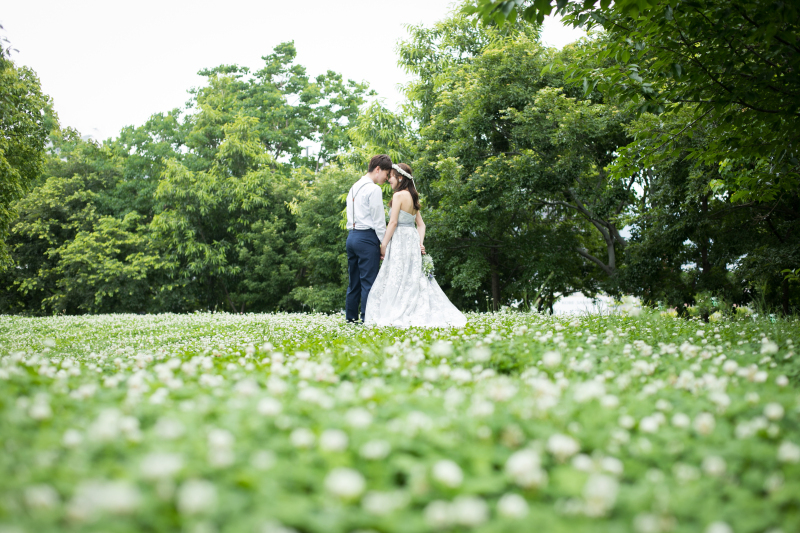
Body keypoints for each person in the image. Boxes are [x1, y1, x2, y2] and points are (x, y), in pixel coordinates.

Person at [365, 163, 467, 328]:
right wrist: (419, 243)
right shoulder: (412, 197)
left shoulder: (399, 196)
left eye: (391, 176)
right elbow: (421, 225)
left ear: (400, 177)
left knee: (397, 276)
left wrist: (383, 244)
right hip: (411, 241)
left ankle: (396, 310)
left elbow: (393, 222)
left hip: (399, 240)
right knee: (411, 277)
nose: (389, 179)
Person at [345, 154, 392, 323]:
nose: (386, 179)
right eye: (386, 174)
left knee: (354, 283)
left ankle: (350, 320)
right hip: (366, 238)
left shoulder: (353, 187)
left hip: (352, 237)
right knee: (369, 282)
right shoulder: (373, 189)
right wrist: (384, 244)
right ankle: (368, 320)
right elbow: (379, 222)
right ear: (378, 169)